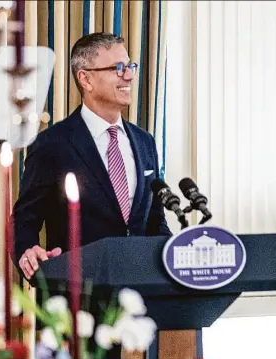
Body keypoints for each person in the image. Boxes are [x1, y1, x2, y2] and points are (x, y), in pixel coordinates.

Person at [13, 32, 172, 280]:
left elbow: (155, 222)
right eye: (117, 68)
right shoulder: (51, 144)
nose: (129, 75)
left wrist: (173, 262)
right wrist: (27, 252)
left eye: (130, 66)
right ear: (85, 79)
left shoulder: (145, 142)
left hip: (142, 299)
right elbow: (24, 220)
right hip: (78, 296)